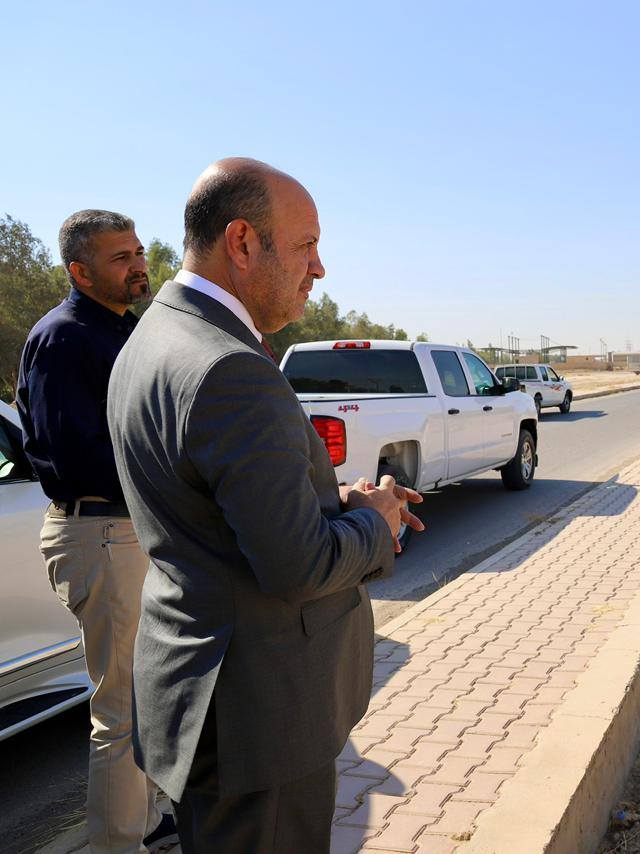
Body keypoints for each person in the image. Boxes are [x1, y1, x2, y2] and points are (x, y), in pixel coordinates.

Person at [107, 158, 425, 852]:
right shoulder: (231, 368)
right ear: (244, 242)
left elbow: (211, 508)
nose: (320, 267)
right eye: (307, 244)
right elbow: (297, 566)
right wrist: (376, 521)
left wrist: (336, 498)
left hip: (204, 702)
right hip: (260, 721)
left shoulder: (153, 338)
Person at [16, 210, 175, 853]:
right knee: (123, 712)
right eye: (120, 257)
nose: (138, 266)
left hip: (133, 531)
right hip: (102, 532)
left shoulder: (123, 329)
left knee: (153, 696)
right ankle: (117, 844)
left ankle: (151, 818)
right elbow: (73, 456)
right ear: (80, 272)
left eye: (138, 252)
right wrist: (174, 471)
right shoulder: (63, 339)